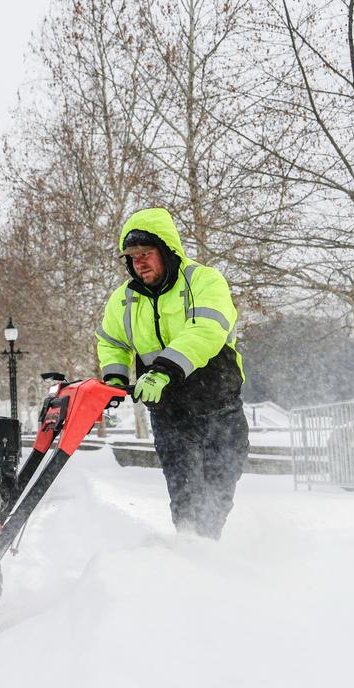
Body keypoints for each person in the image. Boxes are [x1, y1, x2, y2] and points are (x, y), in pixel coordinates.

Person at [94, 207, 249, 539]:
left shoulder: (204, 281)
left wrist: (163, 371)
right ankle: (191, 553)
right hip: (170, 414)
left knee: (218, 493)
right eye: (133, 257)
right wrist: (115, 379)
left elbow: (206, 330)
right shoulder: (123, 300)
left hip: (218, 407)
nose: (140, 263)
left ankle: (207, 554)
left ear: (167, 251)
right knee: (186, 497)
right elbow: (110, 341)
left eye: (147, 254)